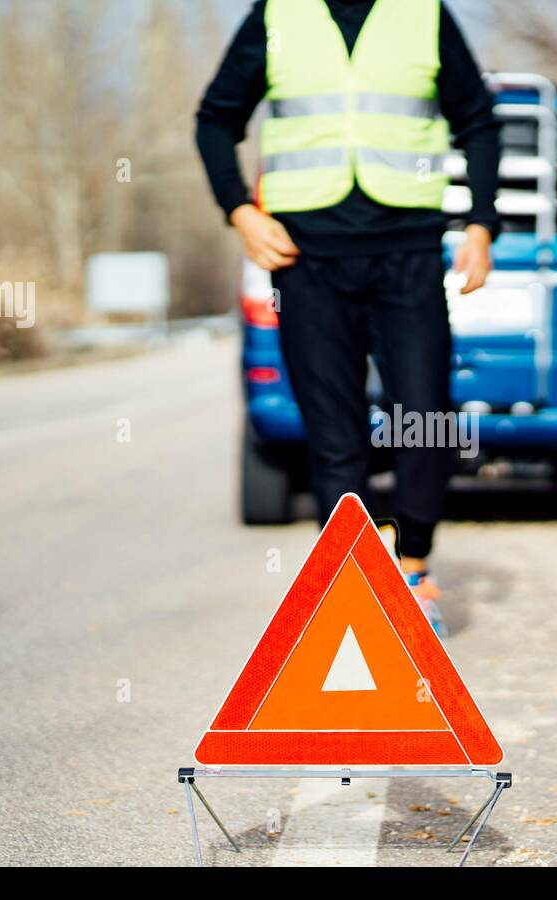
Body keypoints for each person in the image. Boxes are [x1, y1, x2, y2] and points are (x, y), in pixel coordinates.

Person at [196, 0, 500, 635]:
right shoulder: (278, 16)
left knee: (425, 418)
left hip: (408, 253)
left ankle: (413, 569)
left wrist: (481, 224)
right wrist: (241, 213)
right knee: (335, 439)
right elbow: (215, 119)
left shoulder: (423, 15)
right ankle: (355, 589)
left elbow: (477, 120)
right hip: (306, 259)